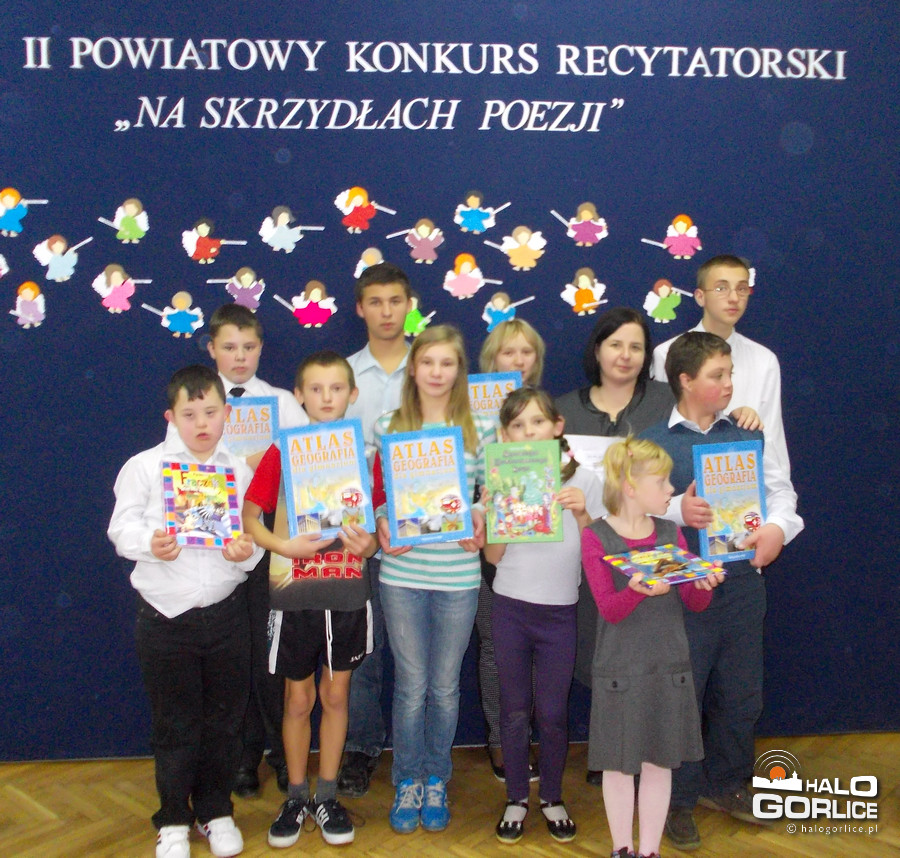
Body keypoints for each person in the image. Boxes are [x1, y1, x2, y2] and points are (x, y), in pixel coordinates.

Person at [640, 332, 803, 851]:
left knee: (741, 693)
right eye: (718, 375)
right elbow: (628, 519)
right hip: (683, 593)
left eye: (731, 373)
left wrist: (777, 529)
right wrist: (675, 510)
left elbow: (780, 491)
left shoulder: (747, 433)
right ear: (685, 380)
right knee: (682, 696)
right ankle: (678, 799)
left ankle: (728, 784)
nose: (730, 384)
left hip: (742, 587)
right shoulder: (652, 443)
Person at [108, 365, 262, 858]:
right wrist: (149, 543)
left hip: (227, 614)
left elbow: (254, 537)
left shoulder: (239, 471)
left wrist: (246, 552)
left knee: (225, 722)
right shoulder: (144, 467)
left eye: (211, 412)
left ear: (226, 414)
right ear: (171, 417)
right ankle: (173, 818)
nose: (202, 423)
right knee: (175, 724)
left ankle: (216, 811)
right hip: (165, 618)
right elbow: (120, 528)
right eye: (190, 414)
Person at [242, 351, 378, 848]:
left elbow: (381, 527)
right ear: (299, 395)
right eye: (316, 389)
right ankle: (296, 796)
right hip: (293, 593)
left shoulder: (365, 456)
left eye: (336, 388)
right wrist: (284, 547)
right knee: (297, 699)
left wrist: (370, 545)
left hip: (346, 593)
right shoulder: (281, 451)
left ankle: (328, 795)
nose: (326, 397)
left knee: (336, 696)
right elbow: (250, 517)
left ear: (352, 394)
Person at [373, 324, 496, 834]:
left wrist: (481, 516)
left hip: (458, 576)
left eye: (447, 363)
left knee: (444, 688)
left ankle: (436, 778)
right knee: (410, 686)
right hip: (402, 573)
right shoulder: (388, 425)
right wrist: (382, 520)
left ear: (459, 369)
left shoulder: (480, 428)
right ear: (413, 368)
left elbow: (491, 491)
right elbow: (378, 494)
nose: (437, 372)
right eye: (428, 362)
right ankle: (407, 780)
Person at [582, 438, 724, 858]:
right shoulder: (596, 537)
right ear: (630, 487)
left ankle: (650, 851)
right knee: (618, 764)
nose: (670, 490)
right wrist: (637, 590)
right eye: (661, 482)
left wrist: (703, 585)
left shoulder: (669, 532)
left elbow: (693, 602)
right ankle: (622, 849)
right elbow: (609, 610)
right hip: (620, 671)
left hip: (667, 665)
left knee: (660, 762)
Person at [486, 388, 604, 845]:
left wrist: (583, 514)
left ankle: (552, 796)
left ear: (557, 427)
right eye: (517, 425)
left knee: (553, 712)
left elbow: (600, 554)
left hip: (559, 613)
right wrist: (499, 513)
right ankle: (517, 796)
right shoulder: (502, 479)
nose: (528, 432)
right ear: (505, 435)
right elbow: (493, 557)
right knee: (514, 709)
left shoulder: (584, 479)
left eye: (537, 422)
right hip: (510, 607)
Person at [203, 304, 308, 799]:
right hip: (216, 549)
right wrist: (239, 464)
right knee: (233, 658)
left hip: (272, 546)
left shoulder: (283, 403)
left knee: (273, 654)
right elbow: (181, 474)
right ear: (212, 350)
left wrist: (271, 462)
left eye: (248, 347)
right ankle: (243, 756)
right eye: (229, 347)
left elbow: (310, 463)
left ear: (261, 348)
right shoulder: (200, 403)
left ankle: (282, 754)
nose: (240, 356)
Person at [337, 262, 413, 798]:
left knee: (415, 653)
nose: (386, 312)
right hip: (358, 531)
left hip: (419, 529)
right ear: (360, 308)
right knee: (362, 648)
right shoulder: (343, 374)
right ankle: (362, 747)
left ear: (409, 305)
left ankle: (414, 752)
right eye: (376, 302)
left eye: (395, 300)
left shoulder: (431, 366)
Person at [476, 318, 545, 781]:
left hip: (540, 555)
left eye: (526, 352)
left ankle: (527, 737)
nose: (518, 360)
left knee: (538, 654)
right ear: (491, 360)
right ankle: (501, 743)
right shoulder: (467, 416)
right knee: (494, 651)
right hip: (489, 550)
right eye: (508, 352)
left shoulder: (545, 412)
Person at [651, 254, 792, 477]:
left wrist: (779, 495)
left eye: (742, 289)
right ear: (700, 297)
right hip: (682, 479)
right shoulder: (667, 353)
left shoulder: (764, 360)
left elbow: (772, 440)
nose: (734, 298)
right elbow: (662, 432)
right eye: (721, 288)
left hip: (745, 485)